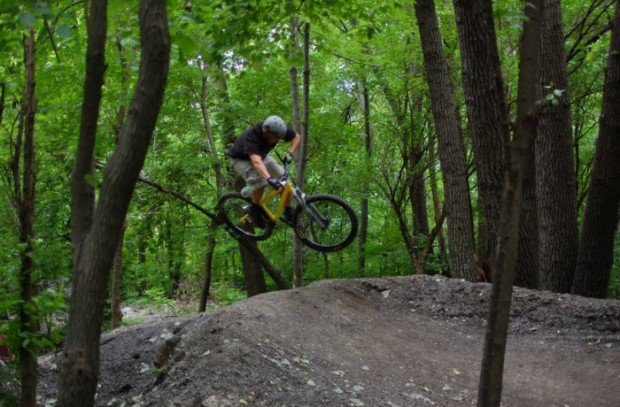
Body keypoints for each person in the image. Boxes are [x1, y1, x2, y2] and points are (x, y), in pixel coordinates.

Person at [227, 115, 301, 227]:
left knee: (284, 180)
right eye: (276, 138)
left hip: (260, 155)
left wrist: (290, 153)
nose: (278, 140)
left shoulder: (278, 129)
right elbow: (256, 162)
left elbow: (297, 137)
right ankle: (254, 211)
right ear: (267, 133)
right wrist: (269, 179)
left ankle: (288, 211)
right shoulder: (252, 137)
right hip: (240, 159)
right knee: (260, 180)